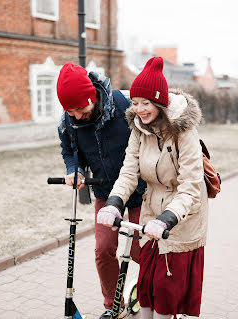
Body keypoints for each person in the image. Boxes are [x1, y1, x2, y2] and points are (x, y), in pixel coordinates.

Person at [97, 57, 208, 319]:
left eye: (145, 103)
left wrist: (168, 219)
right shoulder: (138, 129)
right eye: (134, 103)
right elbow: (128, 172)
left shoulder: (184, 131)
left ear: (159, 102)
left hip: (182, 218)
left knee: (165, 293)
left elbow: (191, 187)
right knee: (146, 291)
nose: (139, 109)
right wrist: (114, 203)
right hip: (151, 213)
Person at [56, 62, 146, 319]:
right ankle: (112, 305)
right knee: (104, 248)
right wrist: (75, 170)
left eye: (81, 109)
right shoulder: (68, 120)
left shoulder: (122, 106)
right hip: (105, 191)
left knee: (142, 250)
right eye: (70, 111)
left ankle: (151, 293)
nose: (77, 116)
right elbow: (69, 150)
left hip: (139, 189)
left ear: (92, 96)